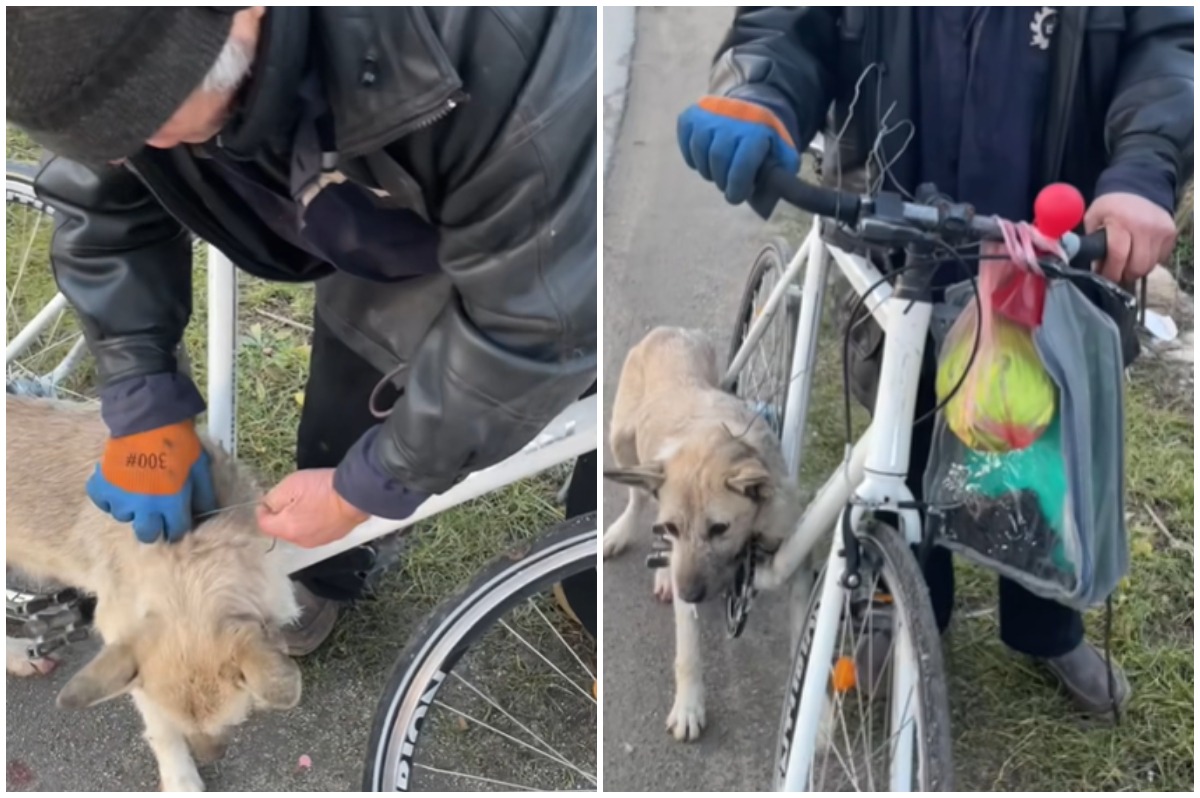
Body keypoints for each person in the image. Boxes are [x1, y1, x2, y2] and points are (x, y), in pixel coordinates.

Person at [6, 6, 598, 654]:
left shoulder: (497, 46)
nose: (118, 152)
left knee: (577, 378)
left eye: (137, 121)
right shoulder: (127, 57)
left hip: (530, 200)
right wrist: (144, 401)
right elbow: (105, 215)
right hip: (359, 194)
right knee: (342, 408)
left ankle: (592, 559)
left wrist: (366, 486)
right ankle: (326, 567)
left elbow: (536, 324)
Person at [677, 6, 1192, 716]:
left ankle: (1046, 626)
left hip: (1048, 239)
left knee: (1041, 452)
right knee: (908, 441)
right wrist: (758, 88)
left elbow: (1166, 45)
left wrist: (1143, 166)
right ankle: (905, 604)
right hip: (897, 226)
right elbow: (786, 24)